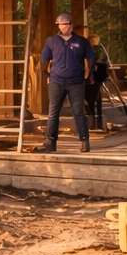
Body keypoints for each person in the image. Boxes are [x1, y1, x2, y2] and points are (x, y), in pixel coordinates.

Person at [38, 13, 93, 152]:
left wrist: (89, 74)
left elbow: (91, 58)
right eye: (60, 24)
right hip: (56, 81)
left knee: (79, 112)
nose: (63, 26)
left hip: (76, 82)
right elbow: (44, 59)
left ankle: (84, 142)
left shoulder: (82, 41)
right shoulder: (51, 41)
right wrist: (46, 74)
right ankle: (50, 142)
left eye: (65, 24)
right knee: (53, 113)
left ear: (71, 25)